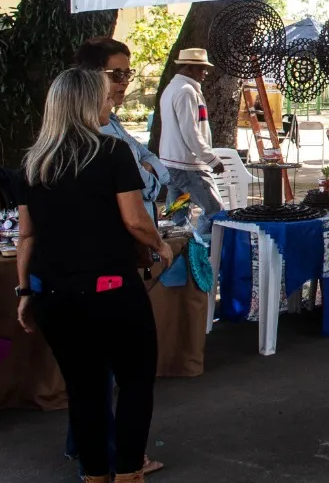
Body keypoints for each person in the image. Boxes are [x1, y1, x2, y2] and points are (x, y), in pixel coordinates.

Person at [15, 68, 172, 483]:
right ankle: (128, 470)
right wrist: (161, 245)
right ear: (86, 104)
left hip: (54, 293)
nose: (113, 103)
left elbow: (26, 237)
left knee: (83, 388)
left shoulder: (35, 162)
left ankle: (95, 474)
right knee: (135, 382)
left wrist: (23, 291)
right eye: (106, 97)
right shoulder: (112, 152)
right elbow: (136, 221)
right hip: (111, 289)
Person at [74, 37, 171, 219]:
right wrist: (146, 170)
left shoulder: (111, 121)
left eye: (128, 74)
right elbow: (148, 188)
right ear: (93, 77)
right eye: (117, 74)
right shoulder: (97, 130)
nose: (125, 82)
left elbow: (154, 162)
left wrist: (146, 167)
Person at [158, 49, 225, 235]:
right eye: (202, 68)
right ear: (189, 68)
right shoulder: (186, 92)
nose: (205, 73)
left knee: (179, 211)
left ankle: (180, 251)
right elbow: (191, 132)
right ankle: (205, 252)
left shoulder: (174, 88)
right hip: (187, 166)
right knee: (215, 210)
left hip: (172, 164)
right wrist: (211, 159)